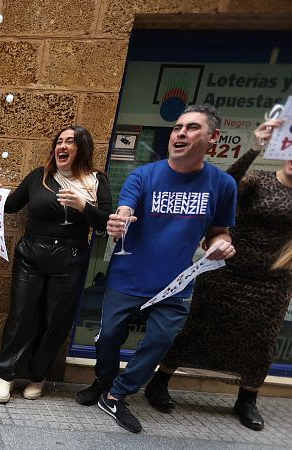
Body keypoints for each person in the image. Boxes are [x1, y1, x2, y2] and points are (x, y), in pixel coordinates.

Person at [75, 104, 238, 434]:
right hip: (128, 276)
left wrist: (221, 244)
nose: (180, 133)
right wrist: (120, 220)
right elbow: (125, 207)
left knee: (161, 339)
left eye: (192, 128)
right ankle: (103, 381)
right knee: (108, 338)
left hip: (175, 284)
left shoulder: (222, 185)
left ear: (213, 137)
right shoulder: (143, 175)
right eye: (178, 127)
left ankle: (117, 393)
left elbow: (218, 233)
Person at [144, 117, 292, 432]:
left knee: (260, 341)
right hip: (226, 269)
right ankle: (159, 382)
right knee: (196, 327)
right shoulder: (260, 180)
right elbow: (226, 186)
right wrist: (253, 150)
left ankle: (247, 399)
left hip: (272, 282)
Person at [0, 126, 112, 404]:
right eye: (59, 141)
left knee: (55, 320)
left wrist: (82, 207)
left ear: (82, 148)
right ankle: (8, 375)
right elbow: (12, 205)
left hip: (72, 258)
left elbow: (105, 222)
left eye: (70, 142)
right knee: (22, 315)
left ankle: (38, 376)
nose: (62, 146)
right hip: (32, 254)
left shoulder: (96, 180)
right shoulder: (40, 176)